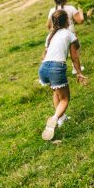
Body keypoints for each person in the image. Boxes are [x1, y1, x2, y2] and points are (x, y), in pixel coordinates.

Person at [39, 10, 88, 141]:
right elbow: (74, 57)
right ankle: (54, 119)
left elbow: (44, 55)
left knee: (56, 92)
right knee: (65, 98)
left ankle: (60, 118)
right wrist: (79, 73)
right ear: (67, 20)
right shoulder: (69, 34)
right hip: (56, 67)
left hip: (43, 68)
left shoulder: (49, 36)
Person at [46, 0, 85, 74]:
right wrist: (81, 12)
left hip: (57, 34)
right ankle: (75, 68)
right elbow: (80, 21)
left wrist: (54, 32)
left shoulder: (52, 10)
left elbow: (48, 25)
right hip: (70, 32)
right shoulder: (71, 8)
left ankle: (55, 69)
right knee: (74, 51)